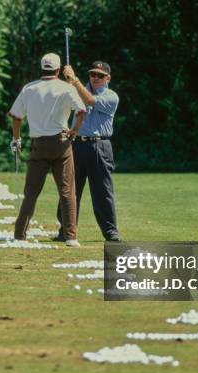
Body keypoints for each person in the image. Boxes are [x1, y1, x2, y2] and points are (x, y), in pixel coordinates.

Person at [8, 53, 86, 247]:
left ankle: (19, 235)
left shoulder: (29, 89)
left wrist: (16, 139)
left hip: (38, 145)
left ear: (42, 68)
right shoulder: (66, 88)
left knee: (31, 192)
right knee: (67, 191)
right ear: (58, 70)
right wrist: (75, 130)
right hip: (61, 143)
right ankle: (70, 236)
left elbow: (16, 117)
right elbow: (82, 110)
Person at [55, 61, 121, 242]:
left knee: (102, 191)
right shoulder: (75, 88)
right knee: (70, 189)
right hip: (76, 145)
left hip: (100, 146)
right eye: (93, 74)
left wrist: (74, 81)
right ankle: (65, 231)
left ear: (108, 78)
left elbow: (90, 100)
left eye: (100, 75)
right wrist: (68, 83)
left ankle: (110, 232)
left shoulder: (111, 96)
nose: (95, 78)